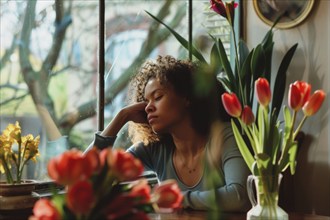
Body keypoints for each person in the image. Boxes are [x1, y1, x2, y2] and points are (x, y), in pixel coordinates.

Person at [89, 55, 251, 212]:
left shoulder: (224, 136)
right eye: (146, 102)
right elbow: (86, 180)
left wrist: (175, 198)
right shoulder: (153, 149)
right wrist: (121, 117)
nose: (148, 107)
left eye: (157, 97)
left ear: (186, 97)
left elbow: (240, 196)